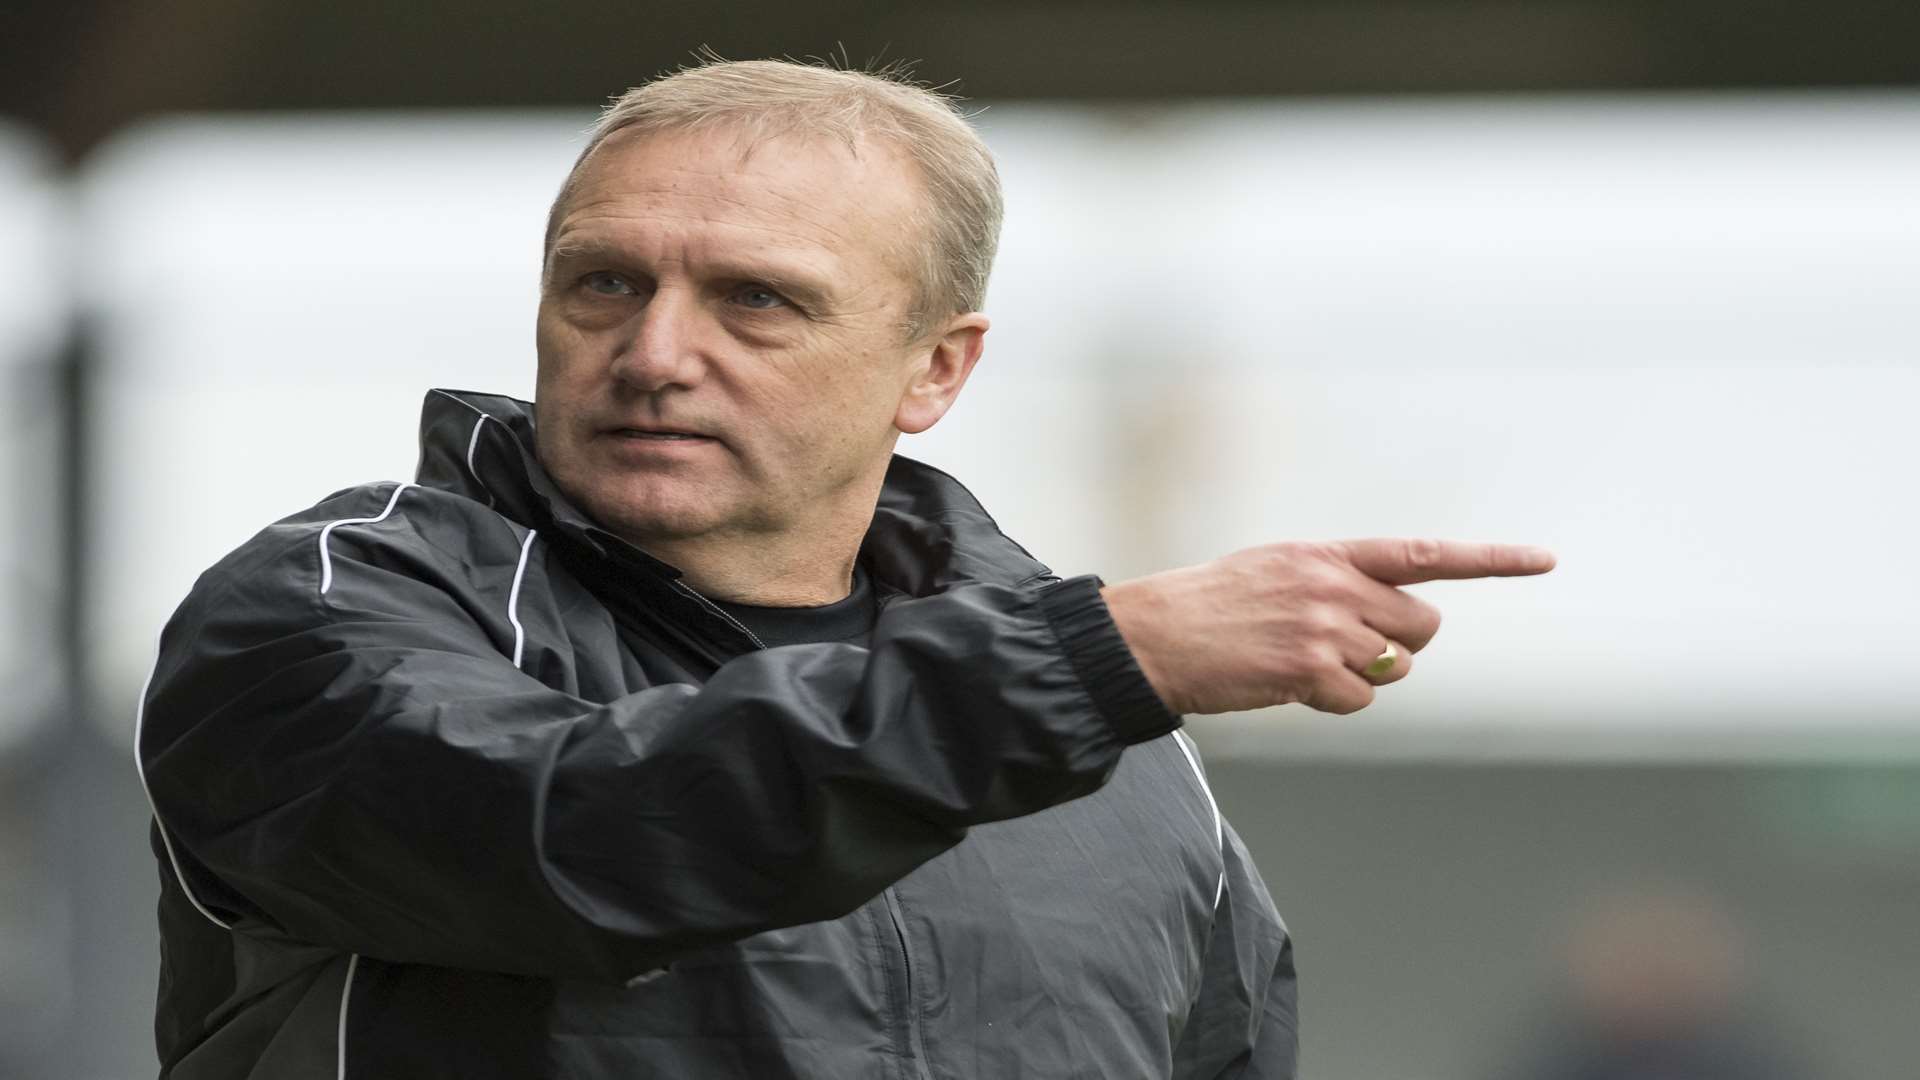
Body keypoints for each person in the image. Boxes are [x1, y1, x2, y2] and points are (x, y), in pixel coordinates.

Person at [135, 59, 1555, 1079]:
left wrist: (1089, 676)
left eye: (756, 299)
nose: (655, 353)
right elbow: (573, 836)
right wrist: (1096, 663)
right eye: (605, 283)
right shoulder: (325, 611)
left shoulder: (1117, 747)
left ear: (934, 369)